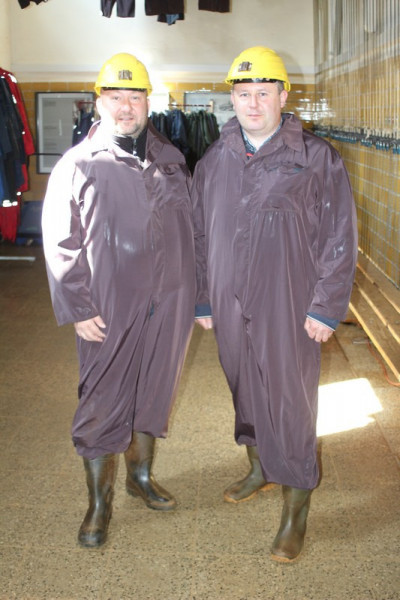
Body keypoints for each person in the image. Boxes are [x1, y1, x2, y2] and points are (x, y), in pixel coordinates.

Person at [191, 46, 358, 562]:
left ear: (284, 96)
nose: (253, 103)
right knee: (243, 387)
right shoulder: (214, 159)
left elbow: (340, 236)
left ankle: (295, 510)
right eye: (243, 94)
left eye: (263, 93)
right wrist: (203, 297)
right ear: (233, 98)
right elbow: (199, 235)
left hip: (289, 304)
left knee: (291, 403)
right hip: (228, 302)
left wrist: (326, 306)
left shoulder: (316, 157)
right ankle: (260, 467)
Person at [42, 53, 196, 548]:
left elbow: (192, 229)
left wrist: (197, 296)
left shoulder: (171, 159)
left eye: (134, 96)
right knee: (102, 398)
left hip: (169, 301)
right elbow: (60, 242)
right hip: (108, 305)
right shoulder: (79, 163)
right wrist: (78, 306)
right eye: (115, 97)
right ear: (98, 102)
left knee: (155, 389)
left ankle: (140, 477)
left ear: (148, 101)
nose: (126, 107)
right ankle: (98, 501)